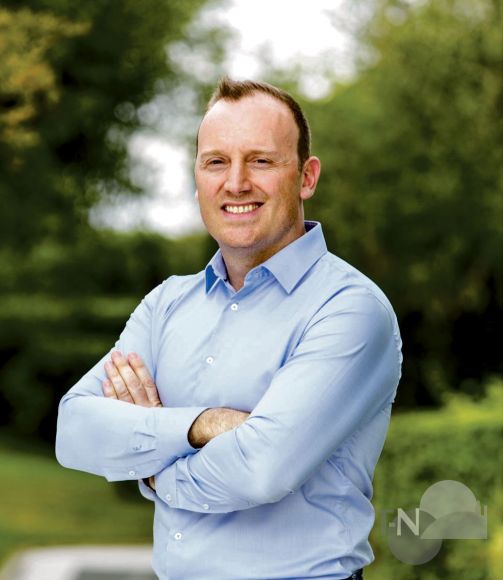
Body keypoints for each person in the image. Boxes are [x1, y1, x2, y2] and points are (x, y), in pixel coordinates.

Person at [56, 77, 402, 580]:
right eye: (216, 162)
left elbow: (260, 470)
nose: (236, 183)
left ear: (306, 177)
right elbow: (74, 430)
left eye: (261, 161)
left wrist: (151, 470)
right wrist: (202, 424)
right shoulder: (166, 304)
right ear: (198, 178)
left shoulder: (349, 309)